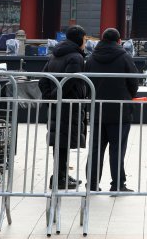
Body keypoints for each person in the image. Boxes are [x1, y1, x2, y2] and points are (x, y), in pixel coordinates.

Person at [84, 27, 139, 192]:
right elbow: (133, 83)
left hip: (97, 110)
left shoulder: (92, 58)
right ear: (119, 41)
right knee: (117, 149)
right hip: (120, 111)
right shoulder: (124, 57)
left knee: (95, 149)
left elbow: (86, 84)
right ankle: (117, 184)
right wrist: (127, 96)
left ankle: (92, 184)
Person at [40, 25, 89, 189]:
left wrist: (49, 97)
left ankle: (61, 174)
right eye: (85, 39)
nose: (86, 42)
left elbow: (43, 79)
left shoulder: (55, 55)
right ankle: (59, 178)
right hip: (70, 105)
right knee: (64, 141)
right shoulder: (75, 57)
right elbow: (70, 81)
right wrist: (57, 96)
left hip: (57, 105)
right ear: (80, 39)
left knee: (60, 141)